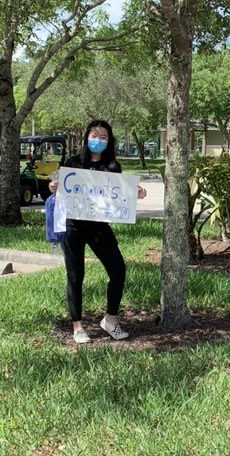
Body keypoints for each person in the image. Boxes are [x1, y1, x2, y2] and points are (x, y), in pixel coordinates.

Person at [49, 120, 147, 344]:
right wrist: (53, 187)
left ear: (109, 141)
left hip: (99, 227)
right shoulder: (73, 162)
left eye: (103, 137)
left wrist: (135, 193)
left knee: (118, 270)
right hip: (72, 226)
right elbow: (58, 187)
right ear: (86, 138)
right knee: (75, 276)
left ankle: (110, 320)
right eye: (94, 135)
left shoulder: (113, 167)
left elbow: (121, 194)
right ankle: (78, 327)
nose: (98, 140)